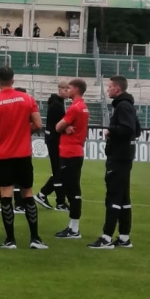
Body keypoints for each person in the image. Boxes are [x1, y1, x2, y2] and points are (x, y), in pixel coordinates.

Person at [0, 67, 47, 251]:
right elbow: (38, 124)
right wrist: (24, 133)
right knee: (27, 193)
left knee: (6, 193)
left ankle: (10, 240)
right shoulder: (27, 99)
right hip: (23, 154)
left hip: (3, 156)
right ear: (13, 80)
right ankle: (35, 238)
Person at [88, 75, 140, 250]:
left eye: (110, 86)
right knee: (123, 197)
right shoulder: (127, 105)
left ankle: (106, 237)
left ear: (117, 89)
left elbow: (128, 129)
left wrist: (111, 131)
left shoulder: (123, 106)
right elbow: (137, 130)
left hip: (118, 156)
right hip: (125, 156)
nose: (108, 89)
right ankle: (124, 237)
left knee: (113, 196)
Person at [53, 79, 89, 240]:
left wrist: (63, 127)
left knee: (72, 190)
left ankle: (74, 229)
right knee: (71, 188)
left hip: (70, 152)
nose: (67, 90)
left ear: (76, 90)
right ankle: (73, 227)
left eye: (69, 88)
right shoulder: (83, 107)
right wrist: (65, 127)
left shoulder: (75, 108)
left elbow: (57, 127)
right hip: (75, 151)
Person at [34, 80, 69, 212]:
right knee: (59, 171)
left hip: (53, 139)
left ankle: (45, 195)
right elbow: (57, 125)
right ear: (60, 89)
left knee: (59, 171)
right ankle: (58, 201)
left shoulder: (57, 103)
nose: (67, 92)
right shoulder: (57, 105)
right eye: (65, 89)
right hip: (54, 141)